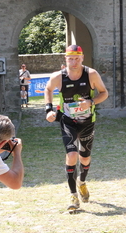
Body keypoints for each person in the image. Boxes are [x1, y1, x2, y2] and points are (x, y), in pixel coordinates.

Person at [44, 45, 108, 212]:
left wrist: (91, 102)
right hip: (68, 121)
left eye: (76, 59)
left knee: (84, 158)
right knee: (71, 155)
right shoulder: (58, 77)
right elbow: (48, 89)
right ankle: (73, 195)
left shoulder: (91, 74)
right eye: (70, 59)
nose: (73, 62)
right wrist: (49, 109)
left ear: (82, 58)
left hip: (87, 122)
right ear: (65, 59)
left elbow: (104, 93)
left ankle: (82, 182)